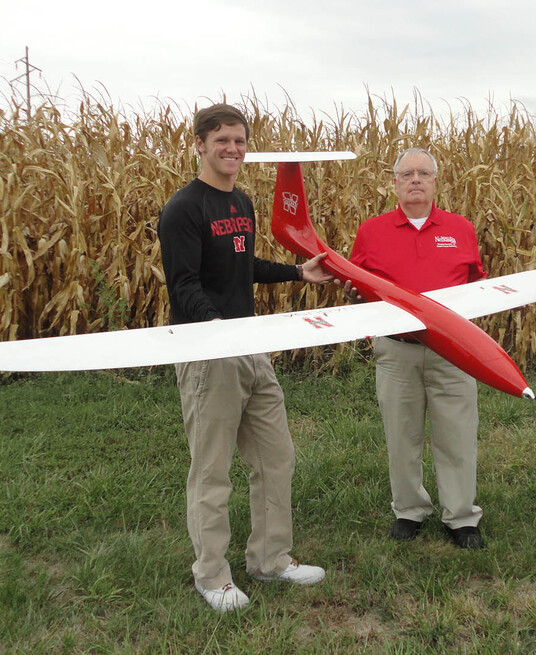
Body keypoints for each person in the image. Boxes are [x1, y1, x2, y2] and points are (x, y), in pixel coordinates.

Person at [157, 103, 334, 612]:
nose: (231, 149)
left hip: (251, 348)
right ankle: (211, 576)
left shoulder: (242, 203)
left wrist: (297, 274)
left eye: (238, 140)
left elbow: (244, 265)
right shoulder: (184, 208)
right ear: (199, 145)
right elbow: (184, 283)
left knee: (276, 458)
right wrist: (216, 327)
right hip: (209, 352)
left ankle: (270, 560)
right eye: (221, 141)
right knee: (211, 470)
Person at [348, 147, 488, 550]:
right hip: (397, 351)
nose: (415, 180)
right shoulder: (371, 231)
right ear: (394, 183)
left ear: (435, 182)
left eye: (423, 173)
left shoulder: (460, 228)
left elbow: (475, 283)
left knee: (457, 434)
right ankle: (408, 510)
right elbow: (359, 286)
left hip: (453, 351)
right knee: (401, 434)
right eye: (406, 174)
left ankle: (461, 517)